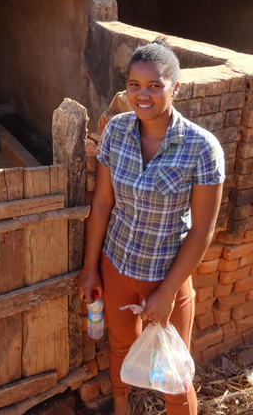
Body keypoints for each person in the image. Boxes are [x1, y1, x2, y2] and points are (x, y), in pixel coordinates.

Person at [77, 39, 225, 415]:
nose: (143, 95)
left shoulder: (201, 148)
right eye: (134, 85)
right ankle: (122, 407)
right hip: (118, 268)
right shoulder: (116, 132)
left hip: (168, 278)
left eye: (155, 85)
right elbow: (102, 202)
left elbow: (202, 231)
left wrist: (167, 292)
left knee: (174, 374)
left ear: (176, 87)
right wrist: (91, 266)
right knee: (121, 349)